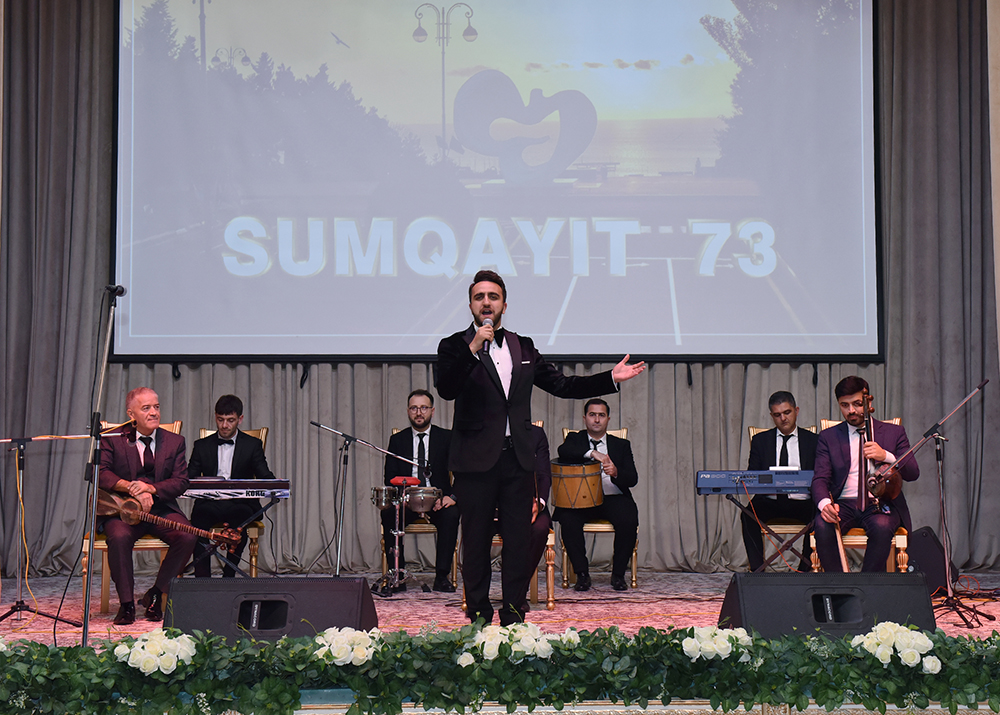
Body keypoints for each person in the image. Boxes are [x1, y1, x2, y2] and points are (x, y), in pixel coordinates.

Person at [436, 269, 645, 625]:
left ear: (504, 305)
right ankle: (479, 616)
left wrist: (609, 378)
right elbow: (446, 388)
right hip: (474, 460)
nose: (486, 302)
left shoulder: (524, 347)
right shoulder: (454, 345)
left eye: (493, 297)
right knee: (476, 543)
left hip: (518, 459)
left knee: (519, 542)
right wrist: (472, 348)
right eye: (479, 297)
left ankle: (513, 615)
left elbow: (562, 385)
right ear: (470, 305)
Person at [98, 387, 197, 625]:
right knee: (119, 537)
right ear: (131, 414)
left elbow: (181, 481)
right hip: (122, 510)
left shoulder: (175, 441)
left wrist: (151, 489)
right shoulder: (112, 438)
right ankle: (127, 604)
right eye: (146, 408)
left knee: (188, 535)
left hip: (160, 509)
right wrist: (131, 487)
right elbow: (100, 473)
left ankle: (155, 594)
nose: (154, 412)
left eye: (156, 407)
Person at [811, 376, 920, 572]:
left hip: (880, 503)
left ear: (869, 402)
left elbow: (913, 472)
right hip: (843, 503)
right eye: (844, 405)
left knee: (882, 526)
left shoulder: (893, 432)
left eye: (857, 404)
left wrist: (886, 455)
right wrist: (825, 504)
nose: (851, 410)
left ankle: (867, 585)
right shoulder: (828, 437)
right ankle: (838, 585)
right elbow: (820, 478)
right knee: (822, 524)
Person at [188, 394, 276, 577]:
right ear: (215, 417)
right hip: (210, 503)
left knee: (240, 524)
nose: (225, 425)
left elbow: (263, 474)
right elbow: (189, 477)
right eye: (220, 420)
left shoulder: (252, 445)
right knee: (197, 524)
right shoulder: (201, 445)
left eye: (230, 420)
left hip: (240, 504)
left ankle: (229, 577)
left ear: (240, 419)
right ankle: (202, 580)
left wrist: (276, 485)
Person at [556, 398, 638, 592]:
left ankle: (618, 575)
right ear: (585, 418)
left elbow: (632, 478)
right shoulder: (574, 439)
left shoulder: (621, 445)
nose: (597, 419)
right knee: (567, 518)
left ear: (608, 419)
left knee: (628, 518)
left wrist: (616, 472)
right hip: (581, 499)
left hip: (613, 497)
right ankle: (582, 574)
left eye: (601, 415)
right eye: (592, 415)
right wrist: (593, 453)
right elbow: (563, 451)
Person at [380, 389, 458, 593]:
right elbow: (389, 476)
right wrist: (402, 497)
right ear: (408, 411)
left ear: (432, 410)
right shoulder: (397, 440)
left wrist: (451, 497)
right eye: (414, 408)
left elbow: (461, 472)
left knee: (451, 514)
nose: (419, 412)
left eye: (424, 408)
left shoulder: (447, 437)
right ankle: (397, 576)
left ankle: (441, 577)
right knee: (389, 513)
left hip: (437, 500)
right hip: (407, 500)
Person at [741, 391, 819, 572]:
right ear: (771, 416)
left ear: (796, 411)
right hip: (770, 501)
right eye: (777, 415)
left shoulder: (813, 440)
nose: (783, 418)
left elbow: (820, 475)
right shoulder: (760, 441)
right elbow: (753, 475)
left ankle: (805, 570)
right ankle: (758, 571)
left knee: (820, 515)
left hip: (803, 502)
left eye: (787, 412)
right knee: (747, 515)